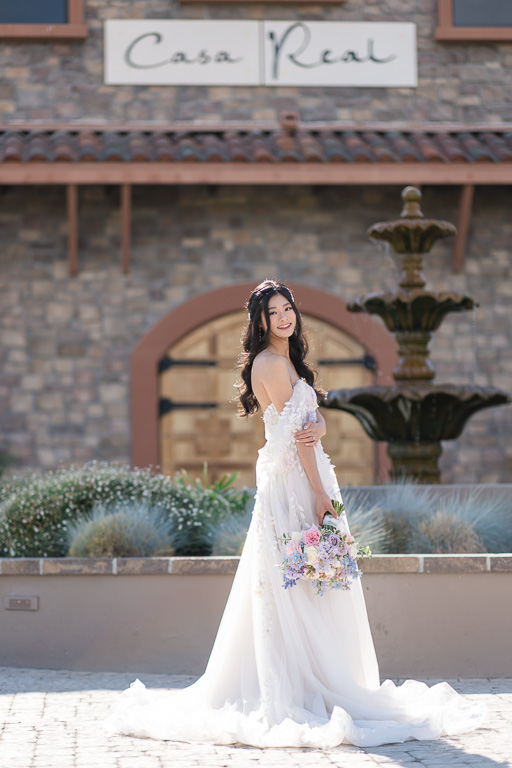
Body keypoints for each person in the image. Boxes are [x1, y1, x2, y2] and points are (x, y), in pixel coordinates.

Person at [105, 279, 485, 748]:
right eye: (274, 312)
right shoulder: (269, 362)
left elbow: (309, 423)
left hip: (296, 478)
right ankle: (295, 687)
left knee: (309, 582)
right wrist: (320, 494)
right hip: (296, 485)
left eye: (288, 309)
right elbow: (300, 438)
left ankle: (313, 679)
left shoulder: (285, 362)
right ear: (260, 321)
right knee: (299, 578)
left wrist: (321, 424)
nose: (284, 317)